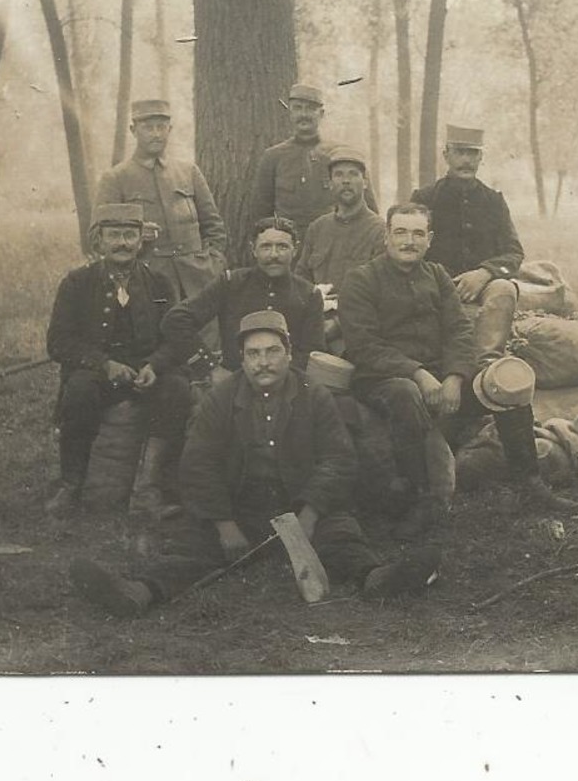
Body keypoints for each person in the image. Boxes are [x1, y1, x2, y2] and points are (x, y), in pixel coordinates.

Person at [67, 311, 441, 617]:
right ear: (241, 359)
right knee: (191, 547)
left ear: (289, 354)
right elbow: (199, 466)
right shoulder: (220, 398)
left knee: (341, 534)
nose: (264, 362)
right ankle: (138, 592)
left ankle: (376, 577)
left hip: (300, 505)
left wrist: (310, 513)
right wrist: (225, 525)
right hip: (238, 507)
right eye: (254, 353)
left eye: (272, 351)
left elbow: (337, 459)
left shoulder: (316, 396)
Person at [338, 202, 578, 536]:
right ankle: (421, 501)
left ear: (430, 238)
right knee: (405, 393)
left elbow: (459, 332)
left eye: (418, 233)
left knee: (506, 382)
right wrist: (418, 374)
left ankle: (530, 484)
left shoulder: (437, 275)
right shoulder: (361, 280)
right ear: (386, 236)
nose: (409, 241)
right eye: (401, 232)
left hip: (441, 374)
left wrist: (454, 377)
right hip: (382, 379)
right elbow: (365, 346)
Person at [43, 204, 192, 517]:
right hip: (98, 374)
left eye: (129, 235)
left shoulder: (160, 284)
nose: (122, 243)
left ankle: (149, 490)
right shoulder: (77, 284)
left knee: (178, 390)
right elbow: (58, 341)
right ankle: (72, 484)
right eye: (114, 235)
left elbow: (176, 339)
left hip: (147, 374)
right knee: (79, 391)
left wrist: (154, 365)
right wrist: (104, 364)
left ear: (141, 241)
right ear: (98, 241)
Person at [152, 217, 327, 379]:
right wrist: (210, 368)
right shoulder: (231, 283)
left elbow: (311, 352)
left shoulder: (309, 294)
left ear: (295, 250)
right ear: (253, 250)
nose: (274, 255)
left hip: (287, 386)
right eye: (266, 247)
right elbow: (176, 321)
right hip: (234, 383)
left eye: (282, 247)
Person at [95, 98, 228, 302]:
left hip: (198, 281)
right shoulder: (116, 178)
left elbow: (214, 226)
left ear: (170, 129)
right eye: (148, 128)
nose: (156, 134)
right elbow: (96, 237)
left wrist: (212, 263)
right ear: (133, 130)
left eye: (161, 127)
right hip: (148, 281)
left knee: (204, 333)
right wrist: (134, 235)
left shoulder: (189, 172)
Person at [410, 125, 525, 359]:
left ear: (481, 157)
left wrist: (484, 273)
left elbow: (513, 252)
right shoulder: (425, 198)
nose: (466, 160)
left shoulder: (494, 201)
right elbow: (411, 247)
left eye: (472, 153)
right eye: (459, 152)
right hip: (436, 283)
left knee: (504, 289)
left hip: (485, 285)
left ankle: (487, 364)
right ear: (446, 155)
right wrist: (440, 280)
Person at [250, 84, 376, 235]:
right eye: (298, 108)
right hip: (291, 248)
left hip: (333, 243)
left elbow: (370, 211)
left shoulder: (342, 154)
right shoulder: (273, 158)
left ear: (321, 113)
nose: (304, 114)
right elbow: (260, 216)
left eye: (310, 108)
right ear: (290, 112)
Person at [297, 146, 387, 293]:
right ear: (330, 183)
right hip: (318, 311)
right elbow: (301, 278)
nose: (346, 181)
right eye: (339, 174)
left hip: (360, 312)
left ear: (365, 182)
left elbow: (382, 285)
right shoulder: (317, 228)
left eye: (353, 174)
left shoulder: (378, 230)